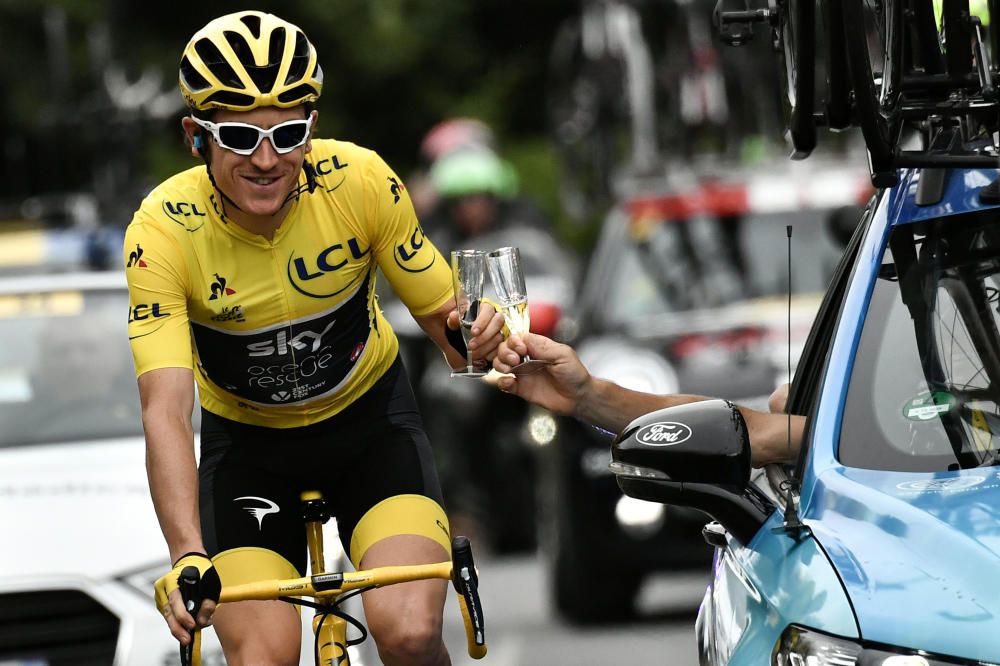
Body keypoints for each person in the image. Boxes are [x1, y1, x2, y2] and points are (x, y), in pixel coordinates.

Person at [124, 12, 504, 666]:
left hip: (371, 430)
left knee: (410, 631)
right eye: (240, 137)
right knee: (262, 656)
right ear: (195, 136)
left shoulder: (360, 182)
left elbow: (450, 329)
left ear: (313, 130)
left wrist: (478, 333)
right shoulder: (162, 231)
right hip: (248, 453)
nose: (267, 160)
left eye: (288, 134)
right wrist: (187, 552)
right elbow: (164, 409)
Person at [490, 332, 805, 466]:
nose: (780, 399)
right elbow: (744, 430)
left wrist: (586, 396)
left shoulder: (840, 434)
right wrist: (584, 395)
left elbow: (747, 432)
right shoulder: (834, 432)